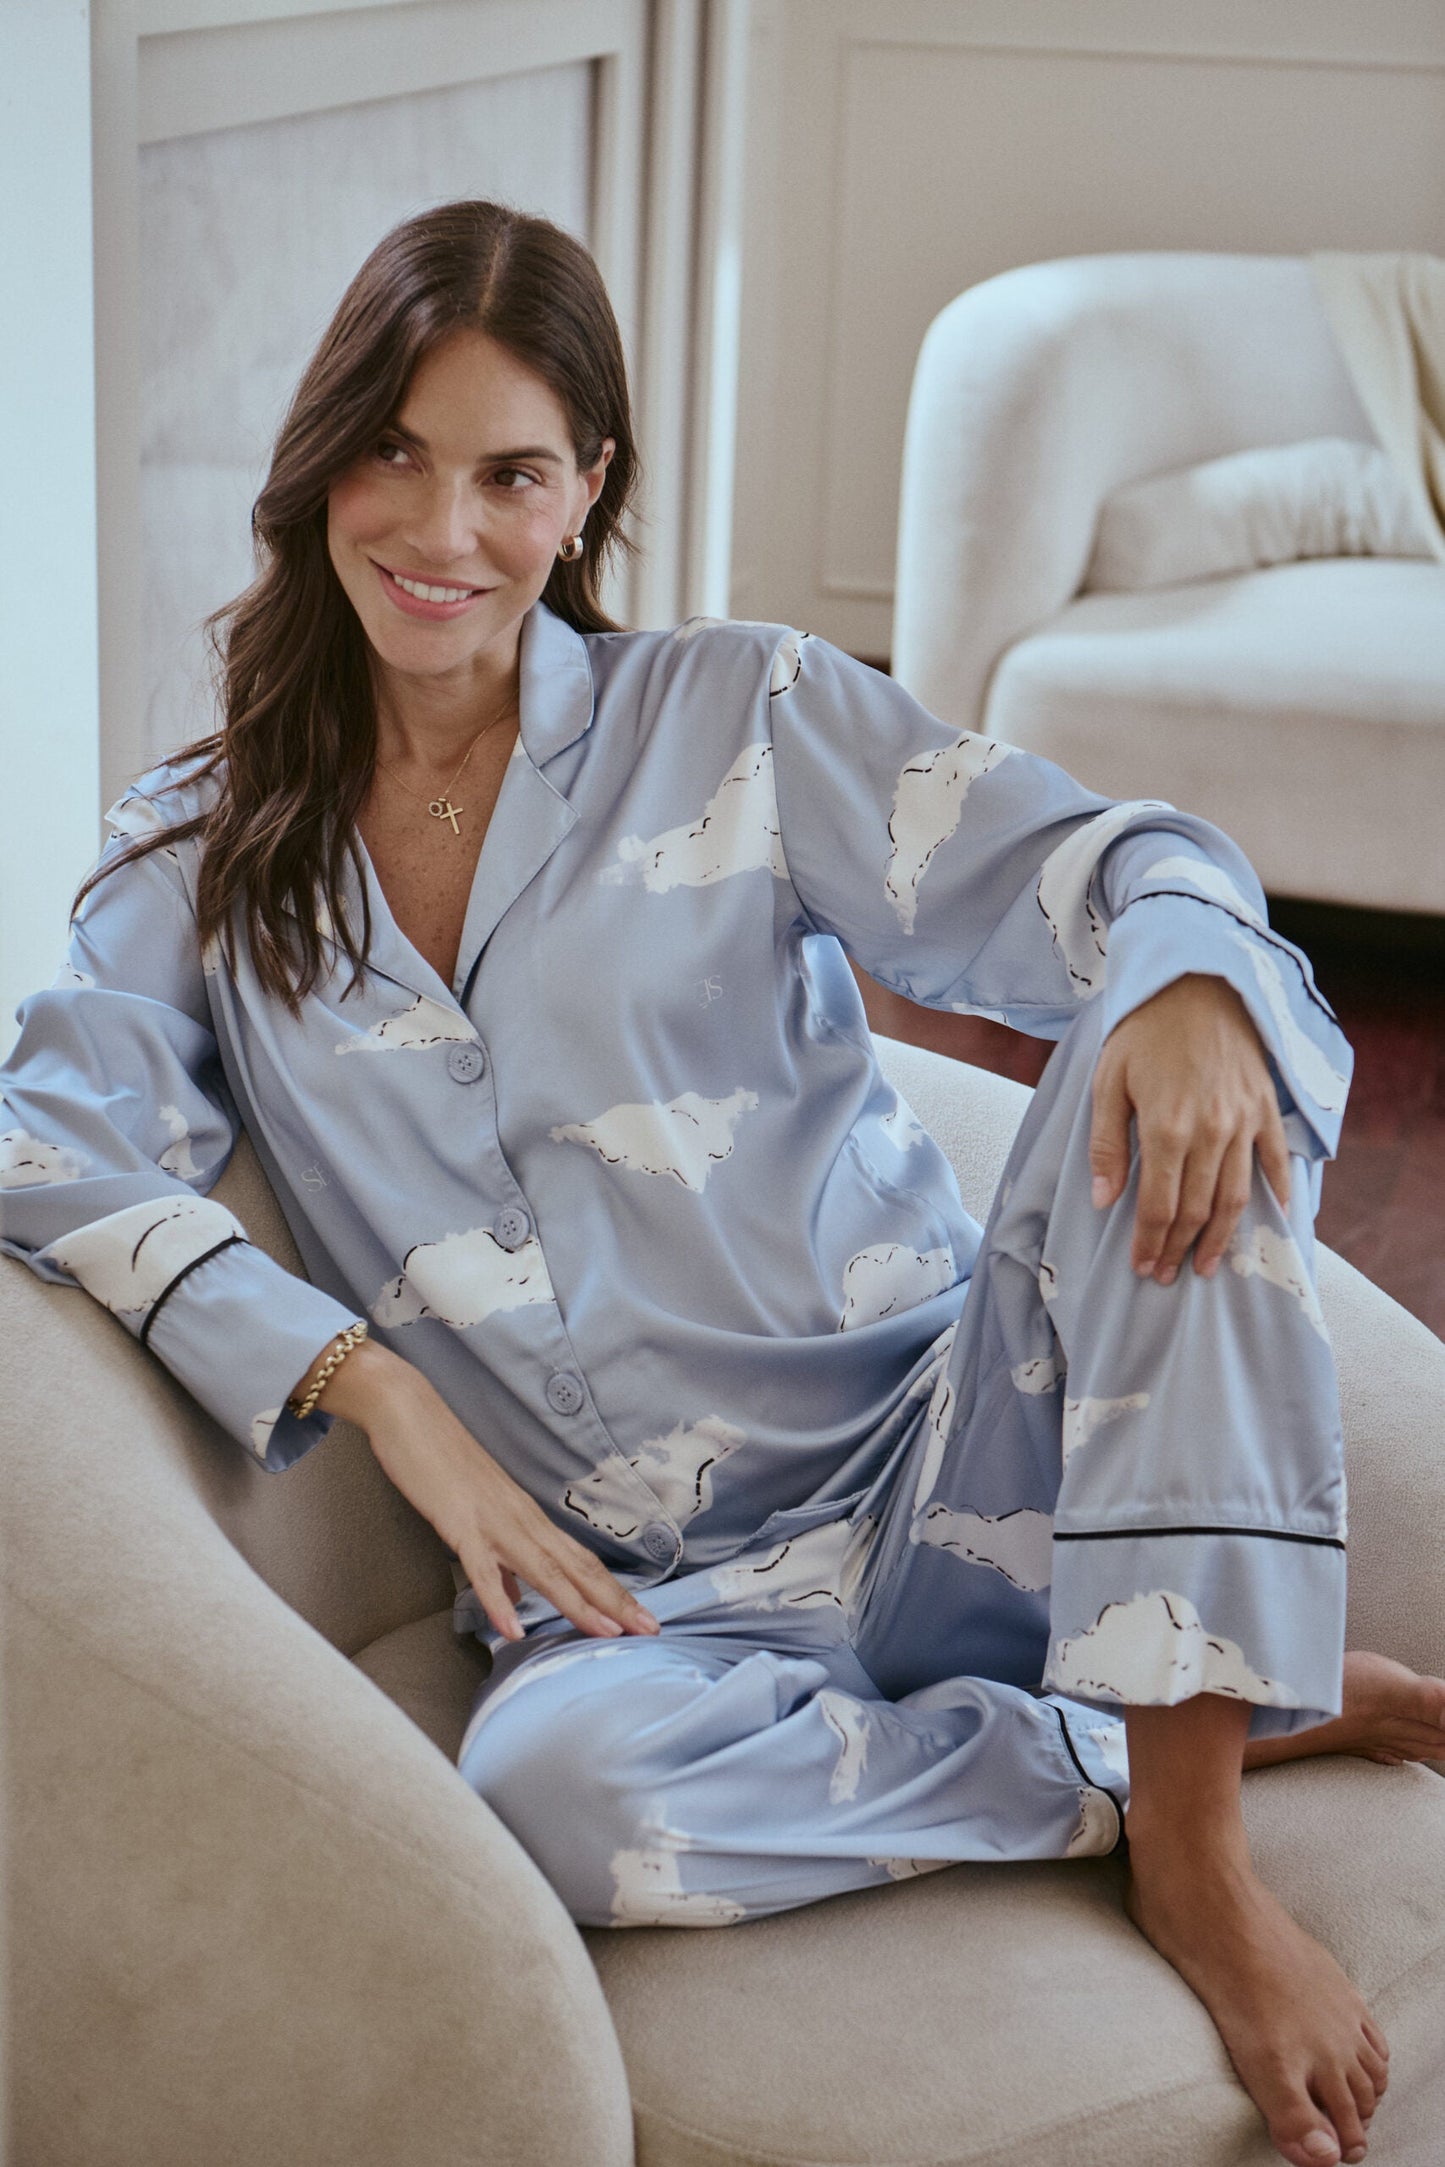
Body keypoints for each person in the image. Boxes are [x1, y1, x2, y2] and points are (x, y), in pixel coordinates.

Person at [1, 200, 1440, 2167]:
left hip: (959, 1451)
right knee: (550, 1802)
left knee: (1192, 1074)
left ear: (586, 487)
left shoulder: (737, 716)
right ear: (319, 457)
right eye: (393, 452)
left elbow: (1097, 862)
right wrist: (371, 1384)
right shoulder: (202, 846)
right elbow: (49, 1140)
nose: (440, 530)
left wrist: (1187, 976)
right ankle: (1122, 1745)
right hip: (652, 1610)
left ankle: (1195, 1861)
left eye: (510, 474)